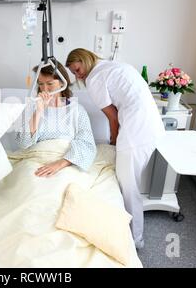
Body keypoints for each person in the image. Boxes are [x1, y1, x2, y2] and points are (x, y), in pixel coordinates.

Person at [66, 48, 165, 249]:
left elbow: (112, 116)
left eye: (78, 69)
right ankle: (129, 232)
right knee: (129, 182)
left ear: (85, 59)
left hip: (136, 131)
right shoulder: (116, 66)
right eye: (74, 74)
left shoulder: (94, 79)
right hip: (152, 126)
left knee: (128, 187)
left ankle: (135, 240)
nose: (78, 75)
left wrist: (113, 141)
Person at [15, 61, 97, 176]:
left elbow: (87, 145)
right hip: (34, 161)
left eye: (50, 84)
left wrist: (59, 164)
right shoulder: (32, 108)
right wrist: (39, 111)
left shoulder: (77, 110)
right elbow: (23, 143)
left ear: (62, 83)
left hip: (66, 162)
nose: (44, 89)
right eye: (40, 84)